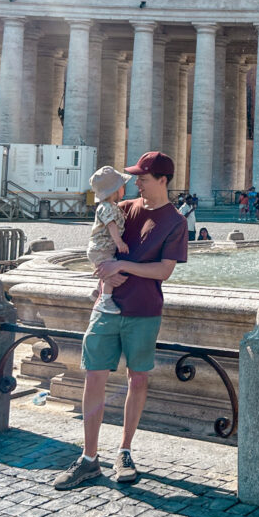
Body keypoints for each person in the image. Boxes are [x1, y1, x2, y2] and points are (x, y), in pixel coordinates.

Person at [53, 151, 188, 490]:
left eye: (142, 176)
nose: (136, 182)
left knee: (137, 380)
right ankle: (88, 458)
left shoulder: (176, 221)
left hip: (143, 310)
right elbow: (98, 246)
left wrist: (122, 267)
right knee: (93, 377)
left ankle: (125, 450)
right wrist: (103, 275)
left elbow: (164, 271)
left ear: (162, 180)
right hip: (106, 307)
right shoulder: (124, 208)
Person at [86, 166, 131, 311]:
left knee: (107, 270)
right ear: (115, 189)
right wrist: (119, 242)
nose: (125, 189)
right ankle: (105, 301)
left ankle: (96, 291)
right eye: (123, 187)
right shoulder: (106, 207)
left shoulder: (110, 206)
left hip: (101, 249)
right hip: (101, 249)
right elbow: (111, 225)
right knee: (111, 270)